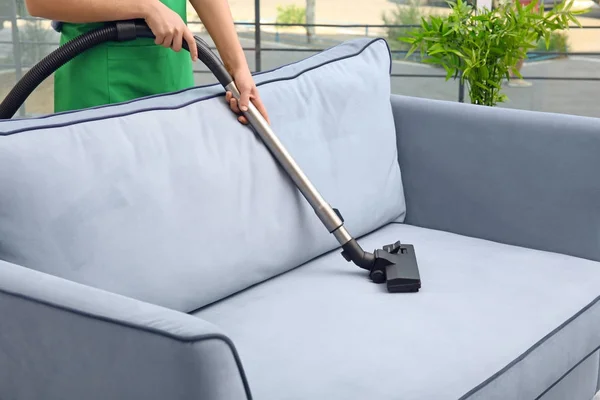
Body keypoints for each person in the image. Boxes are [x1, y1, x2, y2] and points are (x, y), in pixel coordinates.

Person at [24, 0, 270, 125]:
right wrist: (144, 7)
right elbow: (40, 2)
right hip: (98, 83)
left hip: (172, 74)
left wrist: (237, 68)